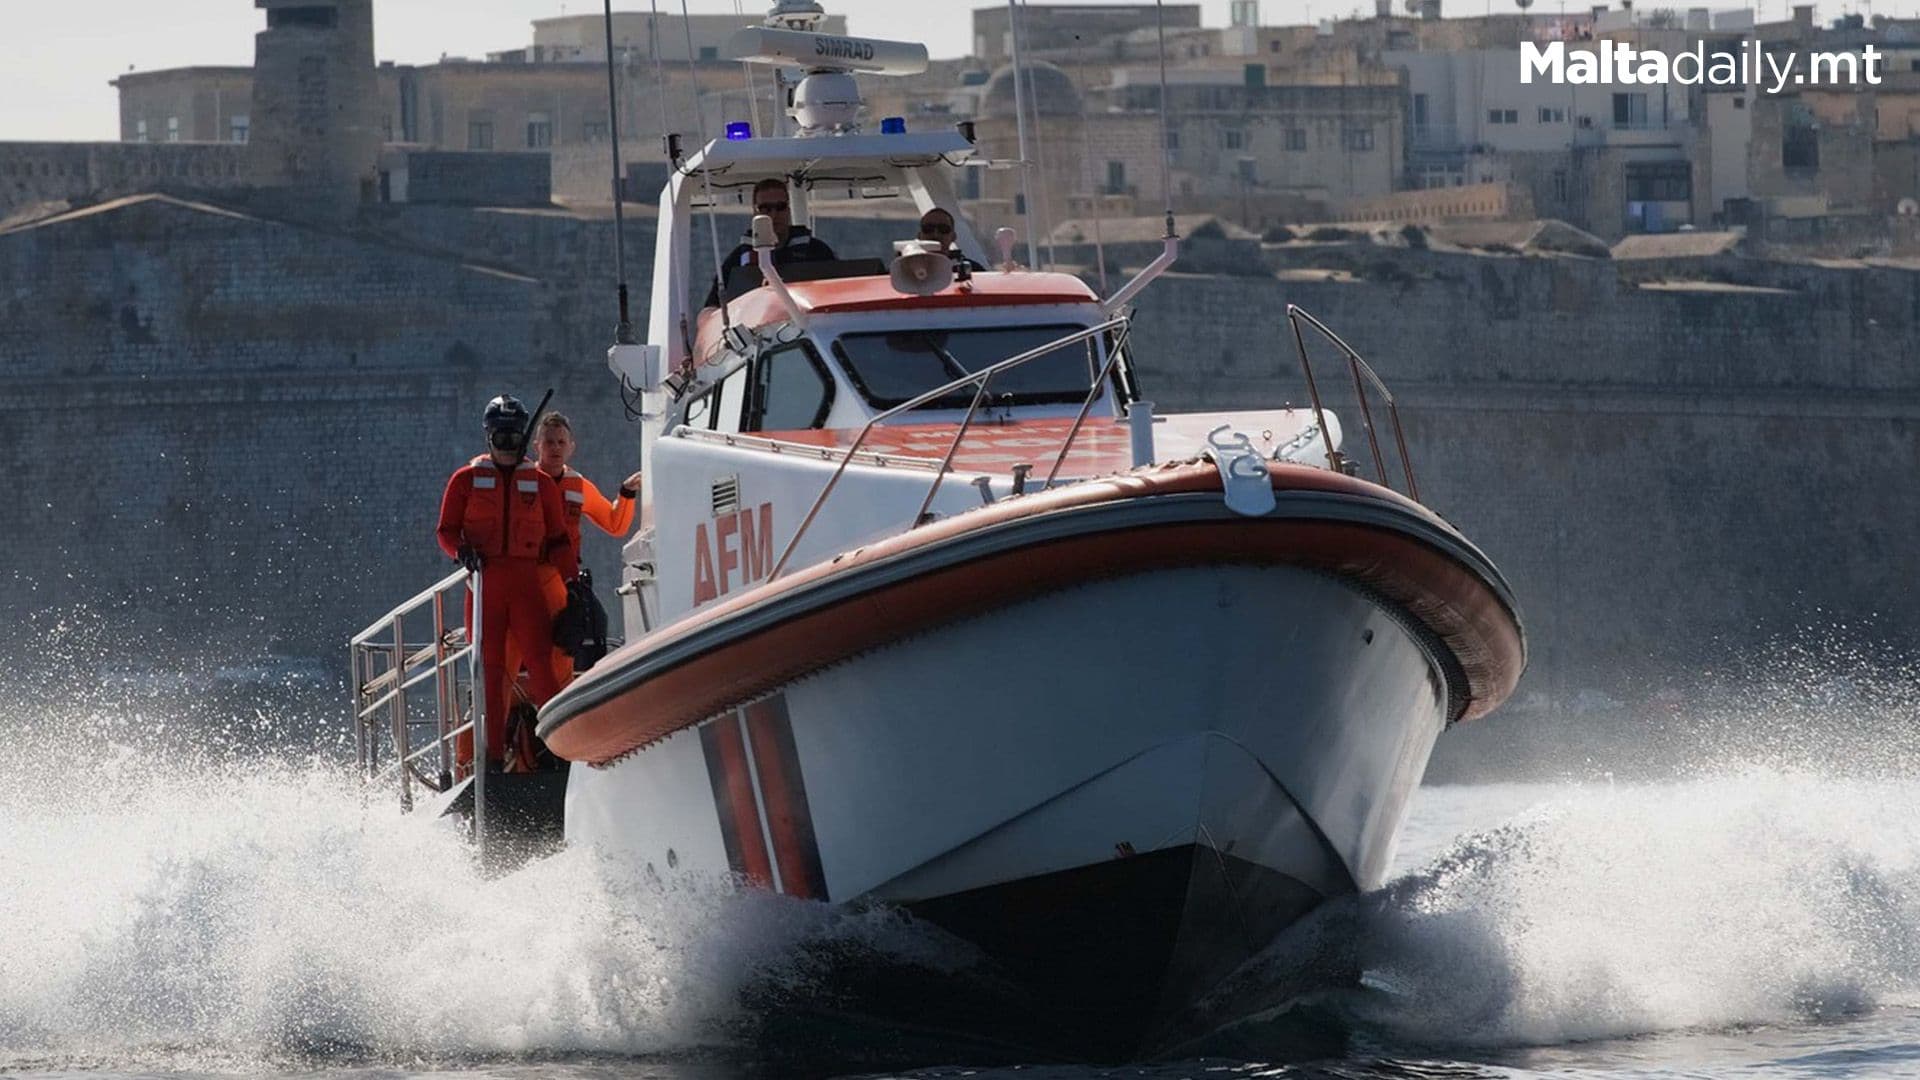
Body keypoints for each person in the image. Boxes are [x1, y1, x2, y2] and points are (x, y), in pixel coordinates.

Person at [435, 395, 578, 771]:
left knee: (543, 668)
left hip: (527, 586)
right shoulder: (465, 481)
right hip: (485, 588)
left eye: (514, 435)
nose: (507, 443)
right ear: (488, 436)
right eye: (501, 435)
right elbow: (446, 531)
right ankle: (493, 760)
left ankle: (557, 756)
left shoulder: (543, 485)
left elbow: (561, 541)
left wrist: (574, 587)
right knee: (491, 672)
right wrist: (461, 551)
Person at [500, 412, 643, 687]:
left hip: (562, 580)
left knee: (570, 641)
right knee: (514, 649)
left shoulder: (578, 485)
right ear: (536, 446)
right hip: (523, 577)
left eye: (561, 442)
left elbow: (615, 524)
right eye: (549, 442)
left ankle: (567, 702)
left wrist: (626, 493)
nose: (555, 448)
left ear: (571, 447)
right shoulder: (520, 480)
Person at [703, 177, 838, 309]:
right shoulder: (736, 261)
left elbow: (838, 294)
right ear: (755, 211)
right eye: (765, 208)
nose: (774, 215)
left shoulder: (818, 251)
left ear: (788, 210)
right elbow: (710, 308)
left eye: (780, 207)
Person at [915, 207, 985, 272]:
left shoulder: (973, 269)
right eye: (928, 229)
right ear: (919, 236)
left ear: (953, 237)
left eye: (943, 229)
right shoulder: (907, 268)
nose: (935, 234)